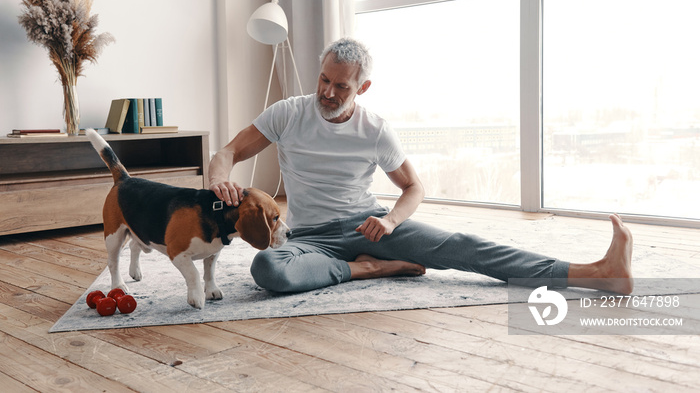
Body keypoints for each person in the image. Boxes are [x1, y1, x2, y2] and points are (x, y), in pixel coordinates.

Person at [209, 37, 633, 295]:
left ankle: (597, 273)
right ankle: (366, 269)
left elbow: (414, 187)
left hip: (368, 225)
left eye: (341, 85)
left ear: (363, 87)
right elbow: (227, 152)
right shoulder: (287, 114)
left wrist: (391, 221)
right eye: (324, 79)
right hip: (310, 238)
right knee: (267, 268)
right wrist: (219, 180)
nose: (328, 92)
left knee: (463, 245)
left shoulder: (375, 129)